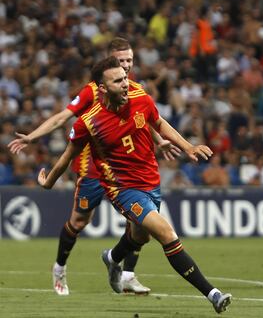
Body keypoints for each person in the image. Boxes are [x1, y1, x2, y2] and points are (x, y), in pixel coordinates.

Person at [38, 56, 232, 314]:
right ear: (103, 88)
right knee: (166, 234)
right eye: (118, 80)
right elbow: (68, 156)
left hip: (151, 181)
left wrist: (188, 147)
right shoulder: (89, 122)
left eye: (125, 77)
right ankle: (213, 294)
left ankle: (113, 257)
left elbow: (159, 122)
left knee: (141, 237)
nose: (126, 83)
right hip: (123, 190)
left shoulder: (142, 99)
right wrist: (49, 181)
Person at [8, 38, 180, 296]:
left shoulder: (132, 89)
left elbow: (143, 119)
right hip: (93, 169)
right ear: (110, 60)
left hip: (124, 171)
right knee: (79, 221)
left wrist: (160, 140)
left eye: (129, 61)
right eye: (121, 61)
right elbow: (63, 117)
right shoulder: (92, 91)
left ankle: (129, 275)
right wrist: (34, 136)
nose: (126, 65)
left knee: (138, 221)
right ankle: (60, 267)